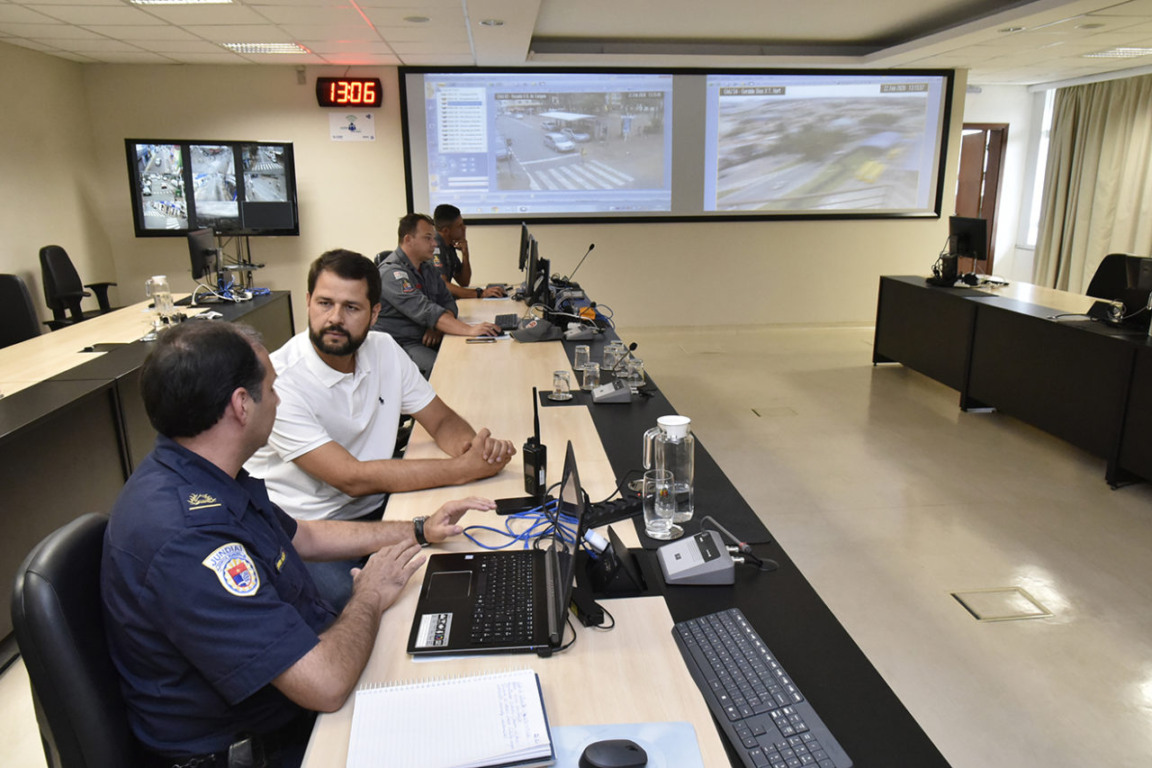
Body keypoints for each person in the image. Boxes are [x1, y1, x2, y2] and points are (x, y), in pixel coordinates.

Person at [101, 320, 495, 768]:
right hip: (263, 746)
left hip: (292, 695)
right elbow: (324, 685)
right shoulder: (188, 539)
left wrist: (420, 529)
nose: (279, 399)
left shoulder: (201, 473)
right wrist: (367, 594)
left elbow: (302, 535)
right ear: (241, 406)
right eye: (271, 389)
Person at [245, 248, 515, 607]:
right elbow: (350, 478)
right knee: (365, 606)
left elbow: (441, 419)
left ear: (375, 314)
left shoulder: (383, 348)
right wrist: (461, 470)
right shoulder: (281, 379)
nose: (335, 318)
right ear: (308, 302)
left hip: (379, 509)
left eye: (351, 308)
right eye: (324, 303)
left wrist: (472, 449)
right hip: (309, 530)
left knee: (466, 566)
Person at [375, 212, 502, 377]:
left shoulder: (427, 267)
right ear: (408, 240)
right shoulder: (392, 273)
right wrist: (468, 330)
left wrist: (437, 328)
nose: (435, 244)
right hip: (401, 343)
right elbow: (426, 310)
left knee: (473, 353)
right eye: (428, 238)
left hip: (425, 337)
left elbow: (448, 302)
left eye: (434, 238)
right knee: (443, 369)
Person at [432, 203, 506, 301]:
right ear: (446, 231)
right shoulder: (435, 247)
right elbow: (443, 285)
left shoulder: (449, 246)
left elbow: (464, 281)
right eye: (460, 226)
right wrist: (480, 293)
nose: (464, 228)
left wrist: (465, 254)